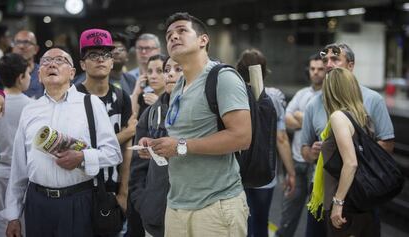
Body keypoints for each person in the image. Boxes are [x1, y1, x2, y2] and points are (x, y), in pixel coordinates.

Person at [137, 12, 251, 237]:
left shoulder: (222, 78)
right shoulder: (179, 87)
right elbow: (182, 137)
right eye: (169, 35)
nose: (173, 37)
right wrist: (157, 146)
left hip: (215, 206)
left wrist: (180, 145)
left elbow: (242, 137)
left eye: (182, 31)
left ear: (203, 40)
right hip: (177, 204)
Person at [2, 48, 122, 237]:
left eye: (59, 60)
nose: (51, 64)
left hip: (79, 201)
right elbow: (19, 167)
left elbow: (114, 153)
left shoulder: (90, 104)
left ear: (72, 73)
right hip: (37, 203)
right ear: (39, 75)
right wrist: (13, 215)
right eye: (46, 61)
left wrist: (82, 157)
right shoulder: (30, 109)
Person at [301, 43, 394, 237]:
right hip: (321, 193)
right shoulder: (314, 104)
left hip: (354, 194)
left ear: (350, 66)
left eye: (335, 59)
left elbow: (380, 147)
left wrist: (340, 199)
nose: (328, 64)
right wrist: (313, 153)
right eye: (325, 59)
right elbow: (305, 149)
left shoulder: (369, 101)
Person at [75, 29, 137, 234]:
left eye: (106, 55)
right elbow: (79, 147)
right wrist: (124, 134)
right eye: (93, 55)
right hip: (78, 187)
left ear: (112, 62)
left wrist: (124, 192)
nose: (100, 60)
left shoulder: (121, 97)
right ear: (83, 64)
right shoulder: (72, 96)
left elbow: (128, 149)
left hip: (112, 187)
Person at [235, 48, 295, 237]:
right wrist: (291, 172)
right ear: (265, 70)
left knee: (239, 221)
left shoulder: (232, 95)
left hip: (235, 170)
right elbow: (281, 138)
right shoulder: (274, 97)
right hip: (264, 170)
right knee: (261, 221)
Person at [315, 67, 379, 236]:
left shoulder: (339, 117)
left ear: (332, 90)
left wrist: (338, 202)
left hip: (346, 206)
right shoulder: (363, 116)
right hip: (363, 202)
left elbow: (351, 163)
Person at [129, 56, 182, 237]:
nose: (170, 74)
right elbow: (137, 167)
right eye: (166, 70)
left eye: (178, 69)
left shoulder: (205, 112)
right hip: (156, 218)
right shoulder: (151, 113)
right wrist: (144, 203)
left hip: (195, 213)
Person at [276, 54, 325, 237]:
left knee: (316, 219)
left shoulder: (328, 96)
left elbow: (324, 129)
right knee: (288, 214)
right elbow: (286, 121)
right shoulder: (302, 94)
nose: (316, 73)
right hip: (297, 162)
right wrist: (309, 121)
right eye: (312, 69)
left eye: (320, 69)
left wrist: (299, 117)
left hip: (317, 166)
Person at [0, 53, 32, 237]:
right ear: (20, 78)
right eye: (28, 73)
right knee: (21, 226)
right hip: (22, 176)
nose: (30, 78)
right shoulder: (32, 106)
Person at [131, 54, 167, 120]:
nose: (153, 76)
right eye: (150, 71)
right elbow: (131, 121)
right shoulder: (143, 97)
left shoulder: (173, 98)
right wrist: (136, 93)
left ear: (167, 73)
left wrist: (159, 105)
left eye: (159, 71)